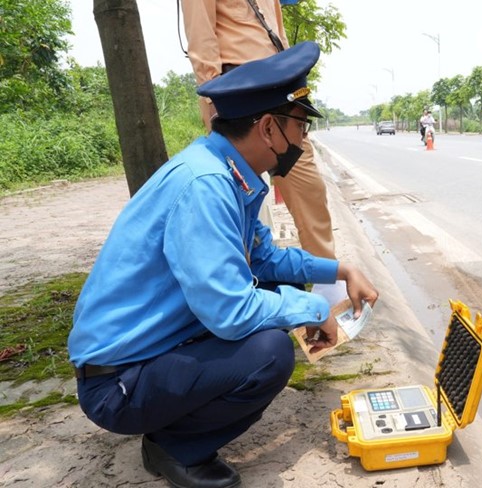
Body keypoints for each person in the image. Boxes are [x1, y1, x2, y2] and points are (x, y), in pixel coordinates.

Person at [68, 42, 379, 488]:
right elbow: (231, 313)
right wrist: (314, 311)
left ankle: (170, 427)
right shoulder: (206, 186)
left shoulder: (227, 173)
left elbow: (265, 258)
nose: (304, 139)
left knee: (269, 301)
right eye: (300, 126)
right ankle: (175, 448)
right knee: (268, 353)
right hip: (116, 384)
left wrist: (340, 271)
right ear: (269, 128)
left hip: (148, 354)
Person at [181, 0, 335, 259]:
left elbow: (278, 36)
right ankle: (243, 282)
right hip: (237, 95)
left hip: (279, 91)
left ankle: (329, 280)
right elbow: (200, 35)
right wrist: (213, 101)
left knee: (309, 190)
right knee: (241, 197)